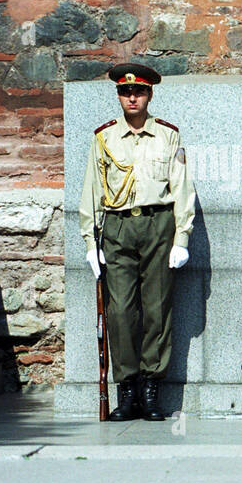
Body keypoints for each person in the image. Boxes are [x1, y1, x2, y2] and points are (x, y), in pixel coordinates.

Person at [78, 63, 195, 421]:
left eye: (139, 92)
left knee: (157, 310)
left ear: (150, 95)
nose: (132, 97)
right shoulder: (104, 138)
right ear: (118, 96)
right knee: (120, 313)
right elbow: (92, 191)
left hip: (159, 225)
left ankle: (151, 390)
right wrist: (90, 242)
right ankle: (126, 391)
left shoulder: (168, 136)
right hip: (117, 228)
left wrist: (182, 238)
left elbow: (182, 188)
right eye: (126, 92)